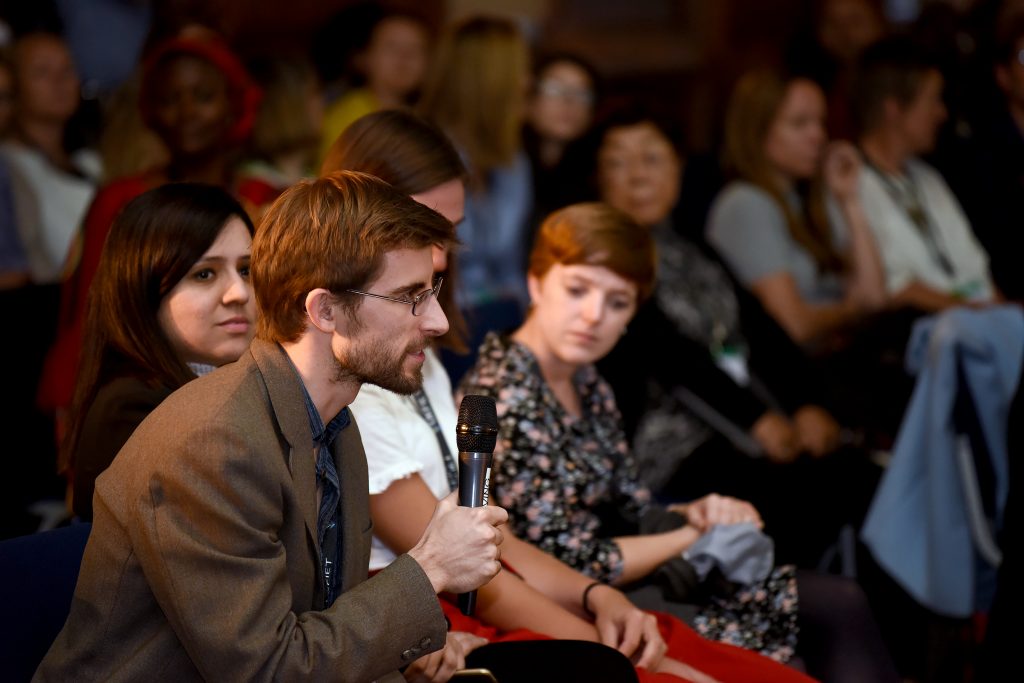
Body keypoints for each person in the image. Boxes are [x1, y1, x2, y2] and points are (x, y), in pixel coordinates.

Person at [327, 110, 818, 683]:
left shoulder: (539, 375)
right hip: (445, 619)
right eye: (423, 229)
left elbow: (491, 534)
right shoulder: (394, 389)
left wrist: (595, 595)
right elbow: (476, 575)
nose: (440, 257)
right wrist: (614, 632)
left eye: (449, 234)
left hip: (523, 592)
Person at [35, 171, 509, 682]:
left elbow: (327, 623)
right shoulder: (213, 445)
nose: (437, 320)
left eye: (433, 291)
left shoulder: (335, 424)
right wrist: (430, 567)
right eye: (410, 297)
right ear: (325, 310)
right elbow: (267, 671)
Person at [458, 202, 902, 683]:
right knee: (826, 611)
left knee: (840, 598)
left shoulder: (586, 379)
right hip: (571, 602)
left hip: (631, 579)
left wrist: (698, 512)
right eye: (577, 290)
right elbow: (569, 558)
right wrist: (691, 535)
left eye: (617, 303)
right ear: (537, 283)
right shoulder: (504, 393)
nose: (593, 316)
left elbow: (631, 502)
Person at [591, 107, 883, 569]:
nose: (638, 177)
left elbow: (762, 330)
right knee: (799, 491)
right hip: (666, 440)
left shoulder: (691, 244)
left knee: (856, 473)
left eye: (652, 159)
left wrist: (806, 403)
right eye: (619, 163)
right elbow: (669, 354)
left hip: (735, 424)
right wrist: (756, 419)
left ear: (678, 170)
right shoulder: (599, 257)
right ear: (599, 177)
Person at [38, 29, 265, 435]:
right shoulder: (121, 201)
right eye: (169, 99)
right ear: (150, 112)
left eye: (203, 97)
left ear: (233, 105)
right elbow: (95, 314)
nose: (186, 112)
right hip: (137, 396)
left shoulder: (263, 200)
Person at [706, 68, 910, 447]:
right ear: (759, 130)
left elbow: (874, 296)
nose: (818, 136)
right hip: (800, 384)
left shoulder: (808, 201)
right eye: (799, 124)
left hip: (844, 365)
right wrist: (850, 310)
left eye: (820, 122)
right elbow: (793, 324)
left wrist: (849, 200)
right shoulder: (745, 204)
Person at [60, 183, 257, 521]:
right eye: (205, 274)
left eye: (246, 269)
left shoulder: (232, 382)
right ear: (143, 291)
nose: (238, 292)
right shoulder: (133, 409)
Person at [418, 15, 534, 382]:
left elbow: (512, 265)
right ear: (490, 83)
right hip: (444, 323)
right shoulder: (428, 158)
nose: (528, 82)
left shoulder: (513, 159)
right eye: (520, 70)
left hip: (506, 317)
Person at [853, 36, 998, 311]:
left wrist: (1006, 317)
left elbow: (977, 271)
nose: (942, 113)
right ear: (893, 109)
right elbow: (896, 290)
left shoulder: (928, 177)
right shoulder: (852, 185)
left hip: (978, 323)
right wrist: (986, 315)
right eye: (932, 101)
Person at [317, 11, 431, 162]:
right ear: (365, 57)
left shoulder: (428, 116)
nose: (404, 58)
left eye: (415, 49)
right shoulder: (347, 119)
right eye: (392, 47)